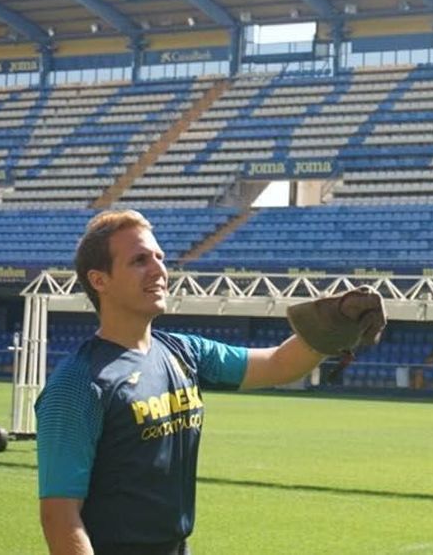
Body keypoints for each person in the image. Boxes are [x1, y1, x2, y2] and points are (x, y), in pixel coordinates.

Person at [35, 209, 385, 554]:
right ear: (100, 281)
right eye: (139, 260)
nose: (159, 269)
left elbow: (279, 364)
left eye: (160, 257)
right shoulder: (77, 385)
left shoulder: (184, 351)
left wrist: (337, 323)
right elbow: (60, 517)